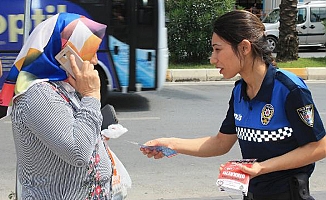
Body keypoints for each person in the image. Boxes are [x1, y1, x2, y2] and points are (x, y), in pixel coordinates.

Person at [141, 10, 326, 200]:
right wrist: (171, 144)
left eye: (218, 49)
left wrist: (262, 167)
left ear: (245, 47)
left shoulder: (289, 89)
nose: (213, 59)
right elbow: (221, 142)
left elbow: (319, 147)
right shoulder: (239, 91)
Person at [0, 13, 114, 199]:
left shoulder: (64, 87)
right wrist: (92, 95)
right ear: (65, 53)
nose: (94, 61)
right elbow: (77, 152)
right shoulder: (37, 94)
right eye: (89, 51)